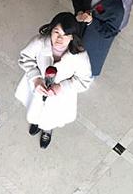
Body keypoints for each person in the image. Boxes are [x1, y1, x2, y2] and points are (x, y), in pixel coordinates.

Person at [15, 13, 92, 149]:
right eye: (56, 32)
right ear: (50, 31)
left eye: (65, 35)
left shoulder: (80, 56)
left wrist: (62, 86)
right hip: (37, 85)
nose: (59, 39)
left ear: (72, 37)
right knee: (35, 107)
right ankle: (36, 122)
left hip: (61, 94)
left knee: (52, 115)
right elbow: (25, 58)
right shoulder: (39, 42)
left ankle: (47, 130)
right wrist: (35, 78)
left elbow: (84, 80)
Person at [72, 0, 124, 76]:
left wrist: (92, 22)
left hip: (94, 39)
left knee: (88, 64)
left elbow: (110, 32)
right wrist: (79, 11)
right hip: (79, 28)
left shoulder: (116, 8)